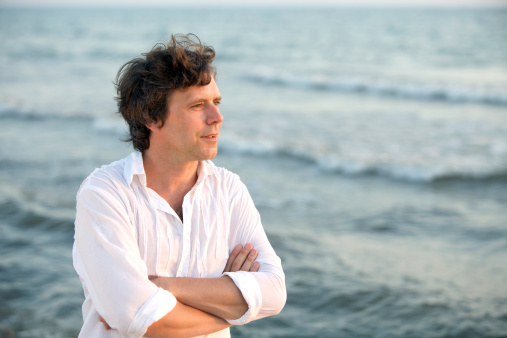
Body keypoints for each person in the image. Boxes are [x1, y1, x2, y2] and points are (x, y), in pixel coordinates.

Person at [72, 34, 286, 338]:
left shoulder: (228, 190)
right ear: (151, 118)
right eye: (198, 105)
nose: (217, 117)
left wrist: (164, 287)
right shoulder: (105, 194)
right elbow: (137, 319)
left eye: (216, 102)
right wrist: (235, 309)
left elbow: (275, 293)